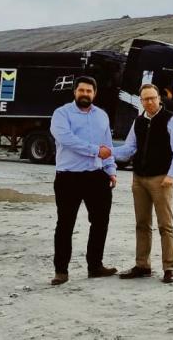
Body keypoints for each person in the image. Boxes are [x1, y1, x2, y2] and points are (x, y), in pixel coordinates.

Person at [114, 83, 173, 283]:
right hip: (139, 179)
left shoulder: (171, 120)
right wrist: (107, 151)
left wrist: (171, 175)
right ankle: (142, 265)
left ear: (159, 98)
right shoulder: (138, 121)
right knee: (142, 224)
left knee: (165, 226)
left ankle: (169, 268)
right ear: (141, 101)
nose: (150, 102)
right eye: (145, 99)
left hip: (161, 179)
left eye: (153, 98)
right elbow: (129, 149)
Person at [49, 76, 118, 285]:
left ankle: (95, 266)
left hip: (97, 177)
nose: (85, 94)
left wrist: (111, 169)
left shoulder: (102, 116)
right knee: (65, 224)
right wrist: (95, 151)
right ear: (75, 92)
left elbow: (108, 146)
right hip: (68, 177)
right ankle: (61, 271)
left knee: (100, 223)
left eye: (89, 91)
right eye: (81, 90)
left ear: (95, 94)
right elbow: (66, 139)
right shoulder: (62, 114)